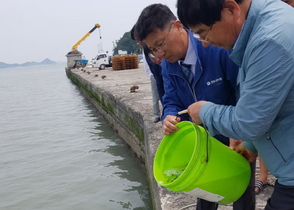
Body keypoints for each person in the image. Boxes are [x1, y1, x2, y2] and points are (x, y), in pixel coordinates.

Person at [134, 3, 255, 210]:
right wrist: (169, 117)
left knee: (242, 192)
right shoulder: (168, 64)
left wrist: (243, 133)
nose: (160, 53)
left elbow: (242, 90)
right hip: (201, 144)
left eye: (161, 44)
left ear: (179, 26)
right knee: (204, 193)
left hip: (234, 136)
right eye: (154, 50)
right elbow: (170, 98)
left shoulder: (216, 47)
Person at [177, 0, 294, 209]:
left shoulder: (269, 40)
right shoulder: (263, 26)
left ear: (231, 9)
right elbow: (275, 103)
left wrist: (205, 111)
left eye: (204, 32)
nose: (204, 43)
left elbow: (249, 122)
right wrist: (249, 145)